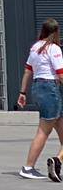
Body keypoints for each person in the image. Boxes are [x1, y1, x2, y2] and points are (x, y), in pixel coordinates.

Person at [17, 18, 63, 180]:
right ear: (56, 32)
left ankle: (57, 161)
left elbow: (27, 71)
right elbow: (60, 74)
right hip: (50, 89)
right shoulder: (54, 49)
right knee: (43, 130)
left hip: (38, 87)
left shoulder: (35, 47)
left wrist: (22, 93)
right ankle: (28, 167)